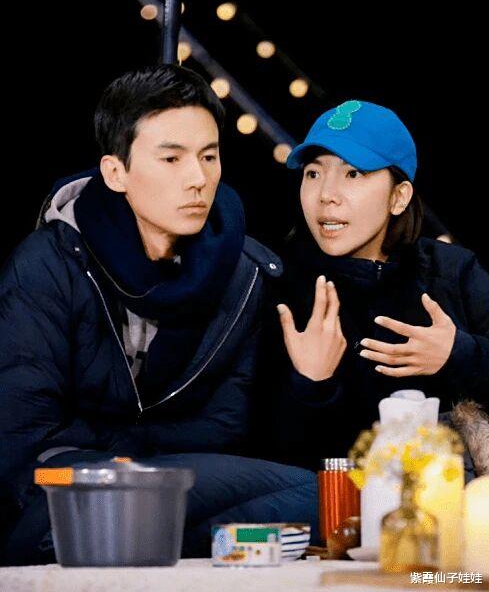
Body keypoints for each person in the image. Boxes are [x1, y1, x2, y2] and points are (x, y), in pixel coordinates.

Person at [0, 65, 317, 564]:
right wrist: (120, 464)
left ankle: (148, 544)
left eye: (209, 156)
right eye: (171, 158)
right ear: (116, 173)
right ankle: (154, 540)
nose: (198, 179)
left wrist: (139, 462)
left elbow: (224, 428)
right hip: (65, 483)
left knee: (321, 497)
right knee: (71, 511)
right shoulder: (47, 265)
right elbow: (24, 440)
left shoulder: (244, 273)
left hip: (177, 477)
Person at [256, 99, 489, 471]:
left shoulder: (453, 271)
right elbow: (270, 453)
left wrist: (458, 354)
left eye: (353, 174)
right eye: (313, 174)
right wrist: (312, 385)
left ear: (399, 197)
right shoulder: (280, 287)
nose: (326, 194)